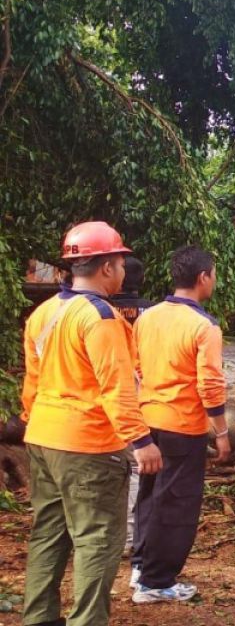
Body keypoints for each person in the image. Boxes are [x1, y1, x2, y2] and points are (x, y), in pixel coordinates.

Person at [20, 221, 163, 626]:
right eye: (120, 262)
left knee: (48, 535)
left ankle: (39, 618)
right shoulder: (101, 317)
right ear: (105, 267)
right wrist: (141, 440)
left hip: (43, 438)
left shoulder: (43, 312)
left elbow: (32, 383)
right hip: (88, 446)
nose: (123, 270)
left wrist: (38, 423)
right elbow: (116, 387)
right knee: (96, 541)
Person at [129, 246, 230, 603]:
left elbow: (137, 367)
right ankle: (156, 582)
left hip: (148, 422)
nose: (214, 280)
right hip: (183, 426)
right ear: (203, 277)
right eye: (214, 274)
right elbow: (210, 385)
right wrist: (222, 432)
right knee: (176, 504)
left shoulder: (148, 317)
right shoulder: (204, 327)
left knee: (149, 496)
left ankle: (141, 567)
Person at [110, 254, 154, 555]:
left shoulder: (100, 308)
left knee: (106, 468)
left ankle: (101, 535)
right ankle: (129, 538)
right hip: (143, 395)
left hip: (107, 393)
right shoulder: (152, 312)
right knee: (138, 469)